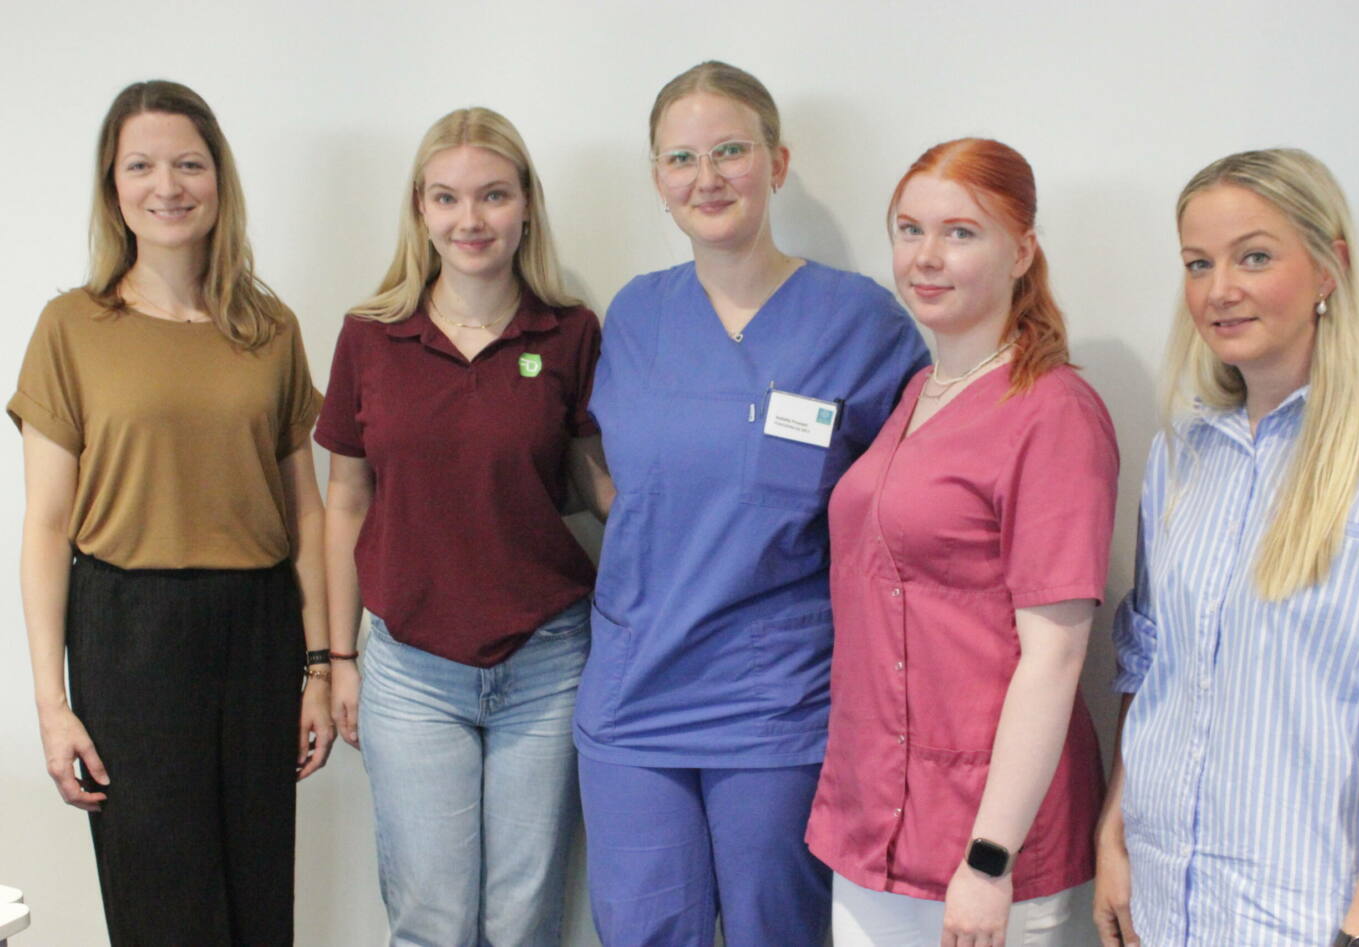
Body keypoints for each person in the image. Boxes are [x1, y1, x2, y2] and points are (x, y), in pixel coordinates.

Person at [575, 60, 929, 947]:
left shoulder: (861, 322)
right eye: (682, 158)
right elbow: (607, 467)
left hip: (778, 697)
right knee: (644, 929)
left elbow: (908, 505)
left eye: (730, 150)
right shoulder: (636, 315)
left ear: (778, 161)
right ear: (658, 179)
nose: (707, 177)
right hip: (632, 695)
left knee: (779, 930)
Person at [9, 79, 333, 946]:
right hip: (128, 633)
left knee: (258, 900)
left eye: (189, 164)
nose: (168, 186)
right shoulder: (71, 327)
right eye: (141, 166)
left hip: (258, 629)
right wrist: (52, 704)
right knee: (162, 906)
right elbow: (46, 526)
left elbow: (305, 512)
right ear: (112, 185)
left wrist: (318, 668)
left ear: (219, 178)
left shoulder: (269, 327)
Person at [1094, 148, 1359, 947]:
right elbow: (1150, 665)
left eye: (1254, 257)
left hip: (1312, 919)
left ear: (1329, 268)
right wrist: (1113, 833)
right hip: (1164, 904)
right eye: (1198, 263)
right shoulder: (1181, 455)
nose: (1219, 289)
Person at [805, 139, 1118, 947]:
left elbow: (1055, 657)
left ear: (1022, 251)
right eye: (909, 230)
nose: (927, 257)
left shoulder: (1054, 411)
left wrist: (988, 859)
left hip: (985, 846)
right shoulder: (920, 390)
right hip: (875, 826)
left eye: (960, 233)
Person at [316, 106, 610, 947]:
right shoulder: (370, 335)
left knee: (523, 922)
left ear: (527, 206)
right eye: (446, 197)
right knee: (431, 921)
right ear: (420, 209)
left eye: (493, 195)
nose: (470, 219)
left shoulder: (569, 331)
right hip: (410, 668)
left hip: (547, 662)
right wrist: (338, 660)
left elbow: (600, 486)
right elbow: (345, 503)